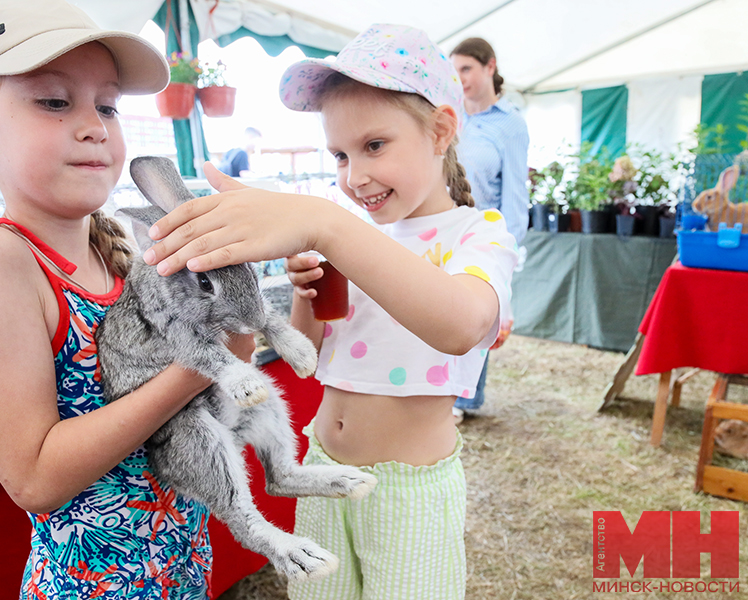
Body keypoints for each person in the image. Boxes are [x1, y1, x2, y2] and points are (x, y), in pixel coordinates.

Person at [142, 25, 518, 600]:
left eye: (374, 146)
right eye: (340, 154)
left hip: (408, 488)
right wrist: (309, 288)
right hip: (323, 467)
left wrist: (330, 225)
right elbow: (308, 355)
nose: (354, 175)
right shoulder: (356, 240)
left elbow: (461, 325)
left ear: (441, 130)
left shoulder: (476, 234)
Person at [0, 1, 254, 597]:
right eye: (55, 102)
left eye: (107, 105)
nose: (95, 126)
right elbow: (34, 479)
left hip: (179, 566)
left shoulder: (123, 258)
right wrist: (196, 366)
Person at [451, 37, 530, 423]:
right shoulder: (450, 116)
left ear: (489, 67)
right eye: (454, 70)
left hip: (485, 232)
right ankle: (446, 390)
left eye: (466, 68)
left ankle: (463, 397)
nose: (460, 77)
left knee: (475, 310)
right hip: (447, 226)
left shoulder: (510, 124)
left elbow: (516, 194)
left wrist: (508, 254)